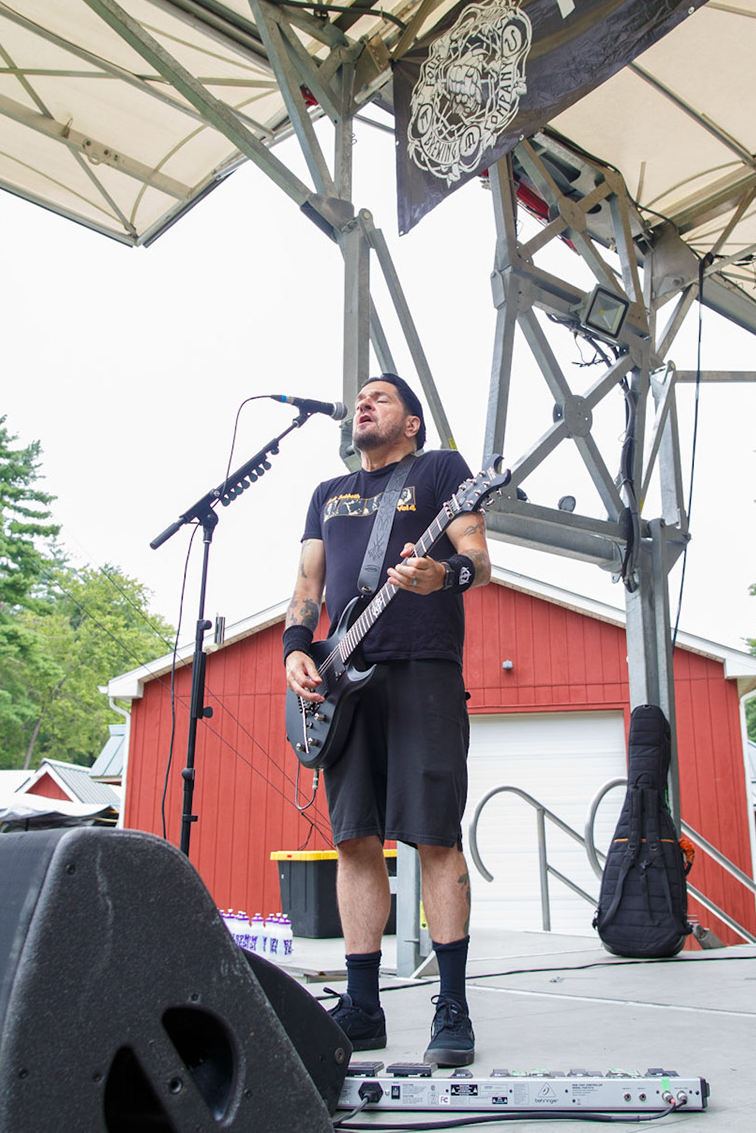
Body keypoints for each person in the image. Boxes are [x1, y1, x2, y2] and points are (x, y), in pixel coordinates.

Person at [283, 374, 491, 1068]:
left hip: (422, 668)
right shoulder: (328, 493)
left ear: (411, 422)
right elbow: (308, 585)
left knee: (433, 835)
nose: (364, 404)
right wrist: (295, 650)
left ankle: (452, 1004)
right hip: (342, 682)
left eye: (382, 397)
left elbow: (479, 559)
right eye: (361, 398)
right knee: (354, 840)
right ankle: (363, 1005)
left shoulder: (441, 471)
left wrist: (443, 576)